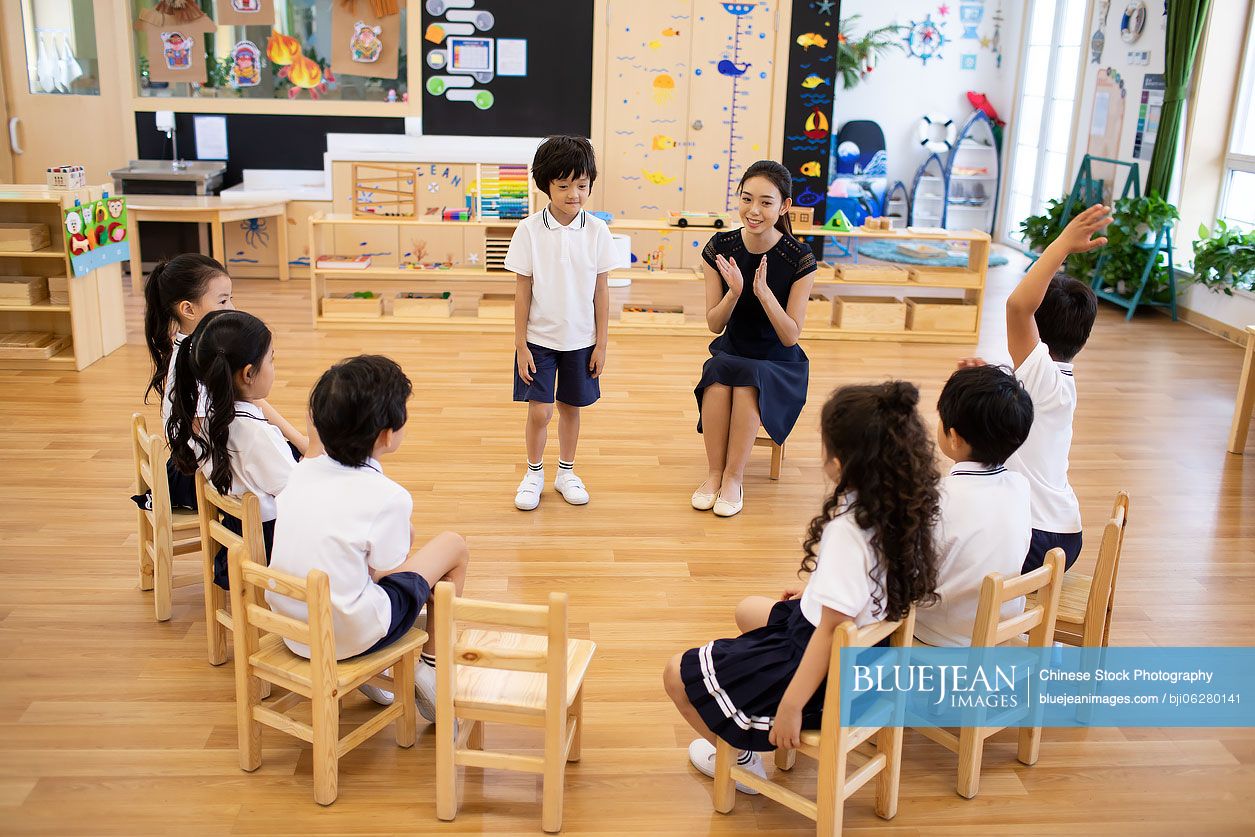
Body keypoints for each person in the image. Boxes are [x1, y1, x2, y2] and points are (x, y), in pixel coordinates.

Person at [663, 382, 942, 793]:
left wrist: (792, 705)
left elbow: (830, 631)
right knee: (747, 610)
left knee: (676, 675)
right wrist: (816, 591)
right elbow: (863, 588)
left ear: (841, 460)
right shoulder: (904, 506)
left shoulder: (850, 530)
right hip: (872, 657)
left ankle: (742, 764)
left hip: (822, 664)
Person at [266, 355, 471, 720]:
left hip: (294, 630)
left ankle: (374, 668)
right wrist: (403, 538)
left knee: (360, 556)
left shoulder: (300, 472)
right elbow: (389, 570)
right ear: (387, 435)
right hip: (345, 636)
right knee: (453, 546)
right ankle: (432, 666)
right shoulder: (388, 496)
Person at [989, 203, 1111, 573]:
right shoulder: (1057, 383)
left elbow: (1017, 307)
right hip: (1064, 537)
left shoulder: (1040, 373)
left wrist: (1062, 244)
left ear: (1038, 335)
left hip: (1033, 537)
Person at [691, 161, 817, 517]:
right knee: (717, 376)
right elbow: (715, 325)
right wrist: (735, 293)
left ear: (784, 207)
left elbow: (791, 336)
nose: (754, 210)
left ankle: (734, 478)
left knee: (748, 381)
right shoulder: (720, 246)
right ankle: (714, 475)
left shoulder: (799, 258)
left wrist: (764, 294)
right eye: (747, 199)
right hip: (733, 348)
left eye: (766, 202)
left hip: (778, 360)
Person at [506, 136, 619, 511]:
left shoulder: (598, 232)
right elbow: (523, 292)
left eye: (582, 185)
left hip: (581, 340)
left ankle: (566, 472)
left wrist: (602, 343)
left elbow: (601, 291)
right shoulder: (528, 231)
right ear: (546, 185)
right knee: (540, 410)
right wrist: (520, 344)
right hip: (539, 338)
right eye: (564, 185)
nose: (574, 194)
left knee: (571, 408)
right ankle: (533, 473)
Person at [167, 310, 310, 589]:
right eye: (271, 360)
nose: (273, 366)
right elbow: (295, 494)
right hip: (271, 544)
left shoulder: (209, 419)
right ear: (248, 374)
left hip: (237, 529)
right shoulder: (255, 434)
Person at [915, 365, 1034, 646]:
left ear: (953, 437)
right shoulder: (1020, 487)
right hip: (1000, 633)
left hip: (936, 638)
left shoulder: (935, 497)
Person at [140, 254, 234, 509]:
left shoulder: (196, 346)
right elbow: (207, 443)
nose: (232, 309)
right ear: (188, 309)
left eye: (231, 298)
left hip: (200, 460)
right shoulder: (195, 361)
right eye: (223, 301)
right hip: (198, 475)